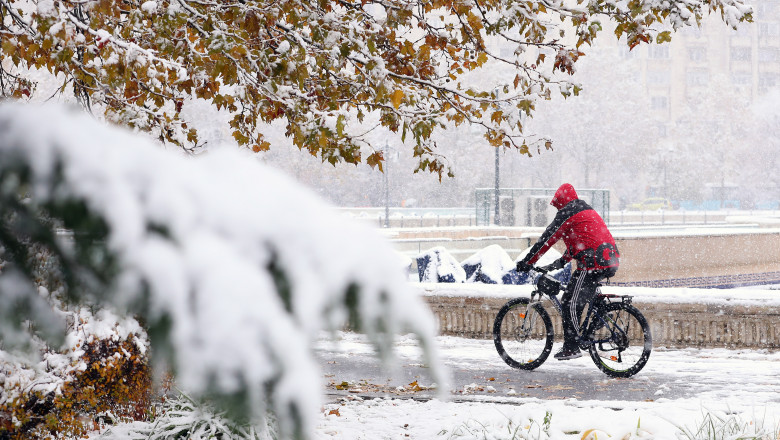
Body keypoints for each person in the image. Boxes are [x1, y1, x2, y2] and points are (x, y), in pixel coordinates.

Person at [516, 183, 620, 360]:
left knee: (568, 302)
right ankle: (601, 315)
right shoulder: (585, 210)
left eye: (558, 205)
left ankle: (571, 347)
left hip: (591, 263)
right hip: (609, 259)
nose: (557, 209)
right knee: (578, 293)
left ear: (561, 201)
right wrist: (559, 263)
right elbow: (580, 241)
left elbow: (547, 239)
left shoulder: (567, 213)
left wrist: (528, 261)